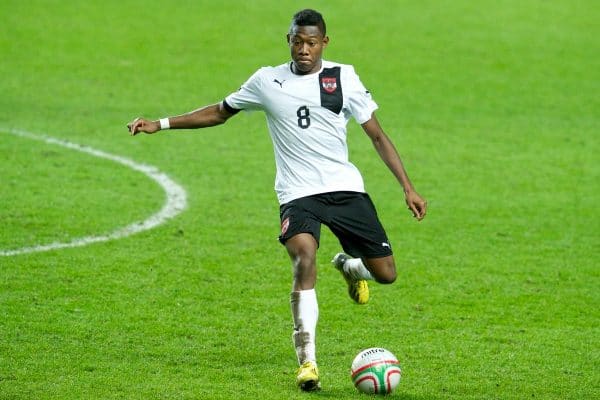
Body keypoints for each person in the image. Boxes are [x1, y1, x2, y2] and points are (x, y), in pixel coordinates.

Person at [127, 8, 427, 392]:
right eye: (298, 41)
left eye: (312, 43)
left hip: (345, 187)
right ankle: (308, 363)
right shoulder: (267, 81)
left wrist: (407, 186)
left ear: (324, 43)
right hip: (297, 193)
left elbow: (378, 136)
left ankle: (352, 269)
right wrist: (162, 123)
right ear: (288, 40)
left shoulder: (343, 78)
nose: (304, 49)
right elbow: (220, 112)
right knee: (304, 257)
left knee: (386, 273)